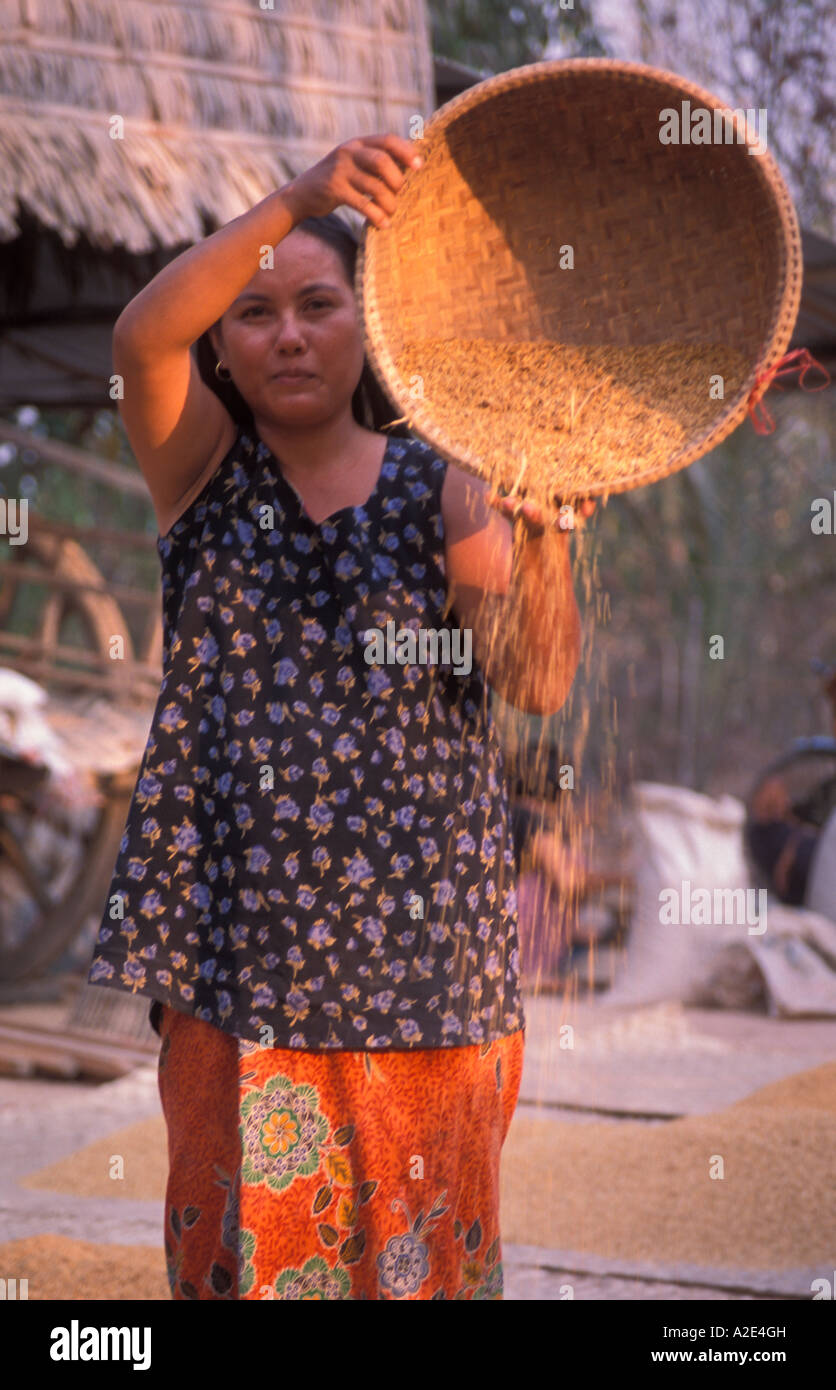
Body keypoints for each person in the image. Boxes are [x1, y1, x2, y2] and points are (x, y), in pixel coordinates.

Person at [86, 133, 585, 1300]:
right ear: (222, 343)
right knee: (241, 1257)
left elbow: (536, 680)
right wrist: (299, 200)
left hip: (426, 958)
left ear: (369, 323)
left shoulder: (451, 478)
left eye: (319, 302)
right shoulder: (201, 471)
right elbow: (136, 339)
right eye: (254, 312)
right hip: (235, 954)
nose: (289, 333)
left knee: (418, 1264)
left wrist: (550, 532)